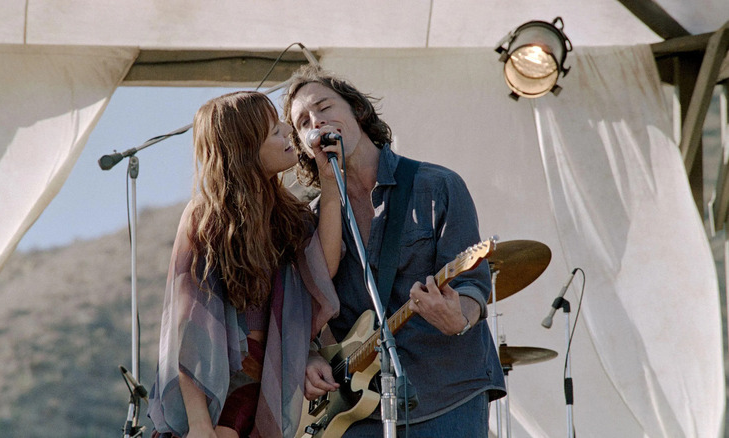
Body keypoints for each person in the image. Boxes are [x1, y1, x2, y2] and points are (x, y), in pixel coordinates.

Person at [283, 65, 506, 437]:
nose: (316, 122)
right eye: (304, 122)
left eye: (324, 107)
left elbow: (471, 284)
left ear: (358, 110)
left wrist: (460, 316)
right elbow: (303, 307)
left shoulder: (436, 186)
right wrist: (308, 355)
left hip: (447, 394)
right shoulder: (308, 222)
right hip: (355, 411)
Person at [147, 91, 344, 438]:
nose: (287, 131)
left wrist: (329, 184)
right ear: (245, 151)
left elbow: (322, 271)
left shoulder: (288, 215)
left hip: (268, 381)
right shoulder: (204, 217)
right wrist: (199, 425)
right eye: (274, 131)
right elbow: (188, 327)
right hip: (218, 390)